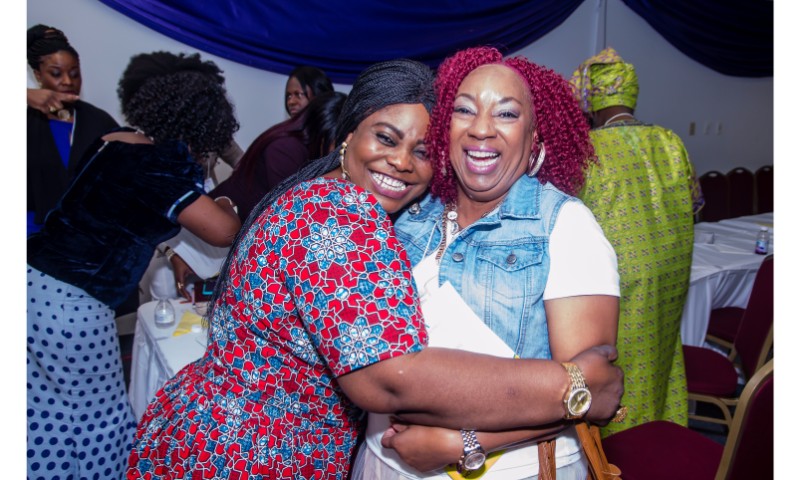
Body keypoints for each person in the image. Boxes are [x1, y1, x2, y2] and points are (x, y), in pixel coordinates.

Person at [127, 58, 624, 479]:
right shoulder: (345, 215)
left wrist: (467, 441)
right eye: (386, 138)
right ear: (348, 134)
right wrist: (577, 386)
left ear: (534, 137)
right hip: (248, 454)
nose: (401, 162)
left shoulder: (363, 206)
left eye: (421, 151)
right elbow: (389, 377)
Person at [354, 46, 622, 479]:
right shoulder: (408, 213)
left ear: (535, 139)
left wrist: (463, 442)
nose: (481, 128)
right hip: (381, 463)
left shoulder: (565, 225)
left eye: (506, 114)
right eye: (464, 110)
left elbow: (590, 392)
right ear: (444, 129)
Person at [26, 51, 242, 480]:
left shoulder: (115, 140)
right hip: (72, 309)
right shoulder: (159, 167)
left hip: (31, 284)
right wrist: (225, 200)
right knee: (100, 420)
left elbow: (120, 213)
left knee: (45, 412)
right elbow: (224, 231)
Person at [569, 47, 702, 435]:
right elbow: (695, 205)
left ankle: (620, 448)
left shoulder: (587, 148)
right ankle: (660, 439)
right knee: (658, 356)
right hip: (669, 278)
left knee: (619, 363)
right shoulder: (669, 140)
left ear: (592, 102)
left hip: (616, 284)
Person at [149, 91, 349, 303]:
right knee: (172, 311)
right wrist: (172, 252)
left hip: (229, 243)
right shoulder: (285, 149)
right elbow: (293, 222)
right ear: (325, 128)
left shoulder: (305, 151)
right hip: (200, 240)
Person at [27, 24, 120, 236]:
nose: (68, 81)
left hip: (88, 238)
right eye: (56, 73)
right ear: (38, 75)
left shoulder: (100, 122)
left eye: (75, 73)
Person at [211, 90, 348, 224]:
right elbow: (291, 213)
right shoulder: (286, 149)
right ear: (323, 131)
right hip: (218, 222)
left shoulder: (299, 146)